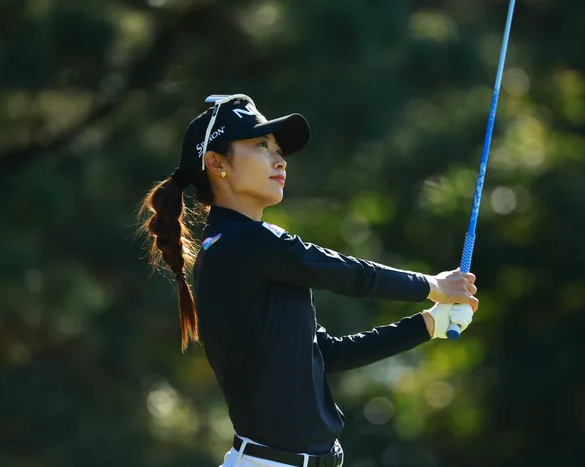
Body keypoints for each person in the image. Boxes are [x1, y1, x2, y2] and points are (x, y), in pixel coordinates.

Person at [136, 94, 479, 467]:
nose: (280, 160)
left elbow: (328, 354)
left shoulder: (245, 246)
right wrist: (433, 285)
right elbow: (347, 274)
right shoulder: (241, 243)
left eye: (278, 149)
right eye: (261, 145)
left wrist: (429, 324)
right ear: (217, 162)